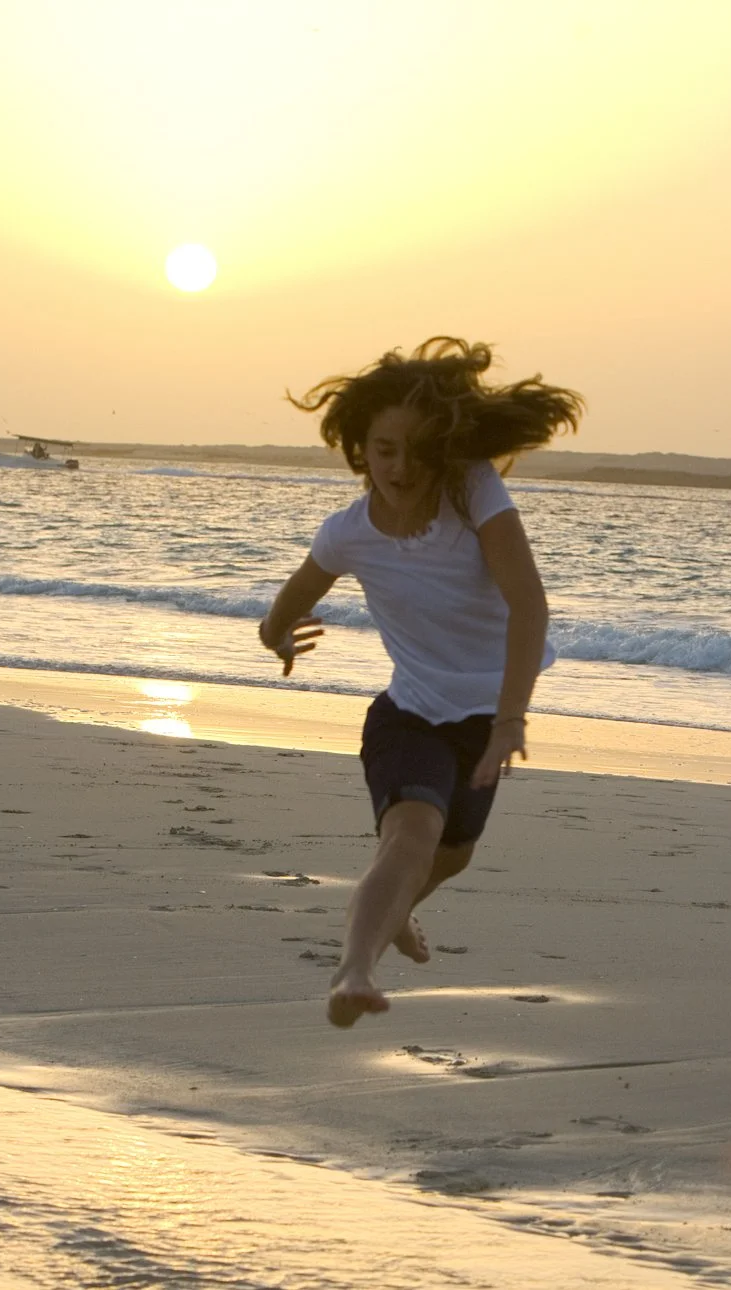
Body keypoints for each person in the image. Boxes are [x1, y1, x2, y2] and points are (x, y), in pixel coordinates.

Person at [259, 337, 584, 1027]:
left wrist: (509, 720)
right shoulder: (347, 533)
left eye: (416, 450)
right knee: (410, 838)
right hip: (409, 715)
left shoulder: (473, 493)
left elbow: (528, 603)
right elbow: (277, 617)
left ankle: (394, 912)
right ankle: (353, 972)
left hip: (484, 723)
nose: (400, 468)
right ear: (359, 449)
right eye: (384, 450)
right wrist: (280, 636)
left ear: (444, 450)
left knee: (453, 855)